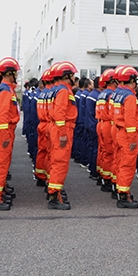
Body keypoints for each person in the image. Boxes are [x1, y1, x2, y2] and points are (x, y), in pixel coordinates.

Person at [0, 57, 21, 211]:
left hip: (0, 130)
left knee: (0, 163)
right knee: (0, 164)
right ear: (9, 74)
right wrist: (6, 135)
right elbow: (2, 115)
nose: (16, 75)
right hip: (3, 131)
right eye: (15, 73)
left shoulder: (1, 89)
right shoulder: (6, 90)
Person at [47, 61, 79, 210]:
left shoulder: (57, 90)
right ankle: (54, 196)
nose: (74, 78)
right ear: (67, 76)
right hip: (62, 128)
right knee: (60, 162)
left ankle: (54, 192)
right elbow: (60, 113)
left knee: (56, 161)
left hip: (57, 127)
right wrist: (62, 133)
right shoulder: (63, 91)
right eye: (72, 75)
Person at [112, 65, 138, 208]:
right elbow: (130, 120)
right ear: (131, 80)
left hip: (119, 132)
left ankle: (121, 191)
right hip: (127, 134)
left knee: (120, 163)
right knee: (127, 165)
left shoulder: (117, 94)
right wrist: (132, 139)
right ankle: (123, 196)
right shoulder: (129, 96)